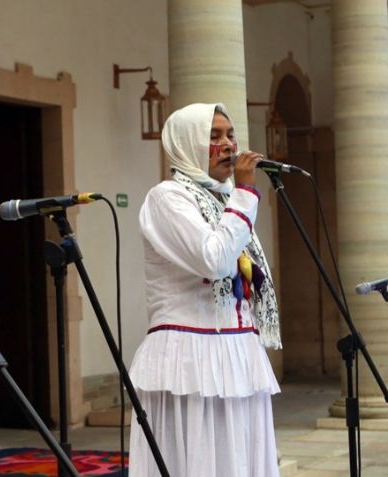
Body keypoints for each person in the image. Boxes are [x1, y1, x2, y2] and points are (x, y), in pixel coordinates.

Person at [128, 103, 281, 476]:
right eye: (214, 136)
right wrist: (245, 193)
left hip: (237, 354)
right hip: (191, 359)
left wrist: (238, 197)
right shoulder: (167, 198)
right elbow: (214, 260)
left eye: (230, 134)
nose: (228, 144)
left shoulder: (225, 200)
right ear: (187, 143)